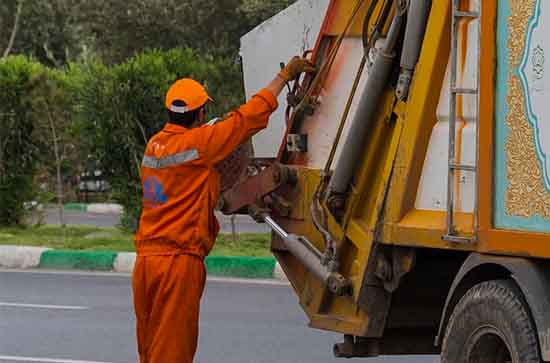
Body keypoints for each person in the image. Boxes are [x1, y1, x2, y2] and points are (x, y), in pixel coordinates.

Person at [132, 56, 316, 363]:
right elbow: (248, 118)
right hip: (178, 262)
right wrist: (284, 76)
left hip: (146, 262)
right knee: (173, 350)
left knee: (150, 347)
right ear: (201, 113)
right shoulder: (201, 143)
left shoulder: (154, 147)